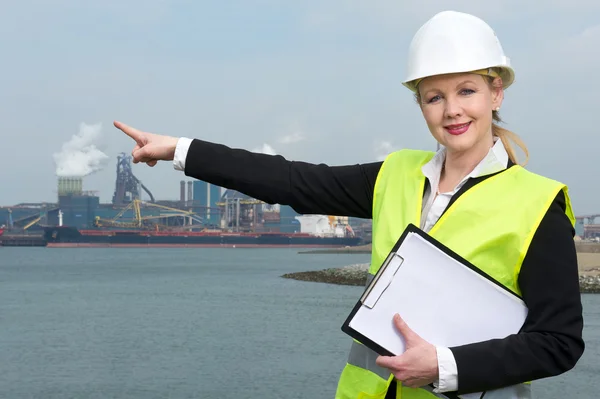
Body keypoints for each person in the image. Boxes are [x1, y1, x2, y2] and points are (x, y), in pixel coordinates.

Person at [114, 10, 584, 399]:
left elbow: (559, 343)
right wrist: (181, 149)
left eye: (467, 91)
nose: (451, 111)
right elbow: (292, 180)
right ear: (420, 104)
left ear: (496, 91)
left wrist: (445, 366)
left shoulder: (537, 204)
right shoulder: (394, 175)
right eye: (434, 97)